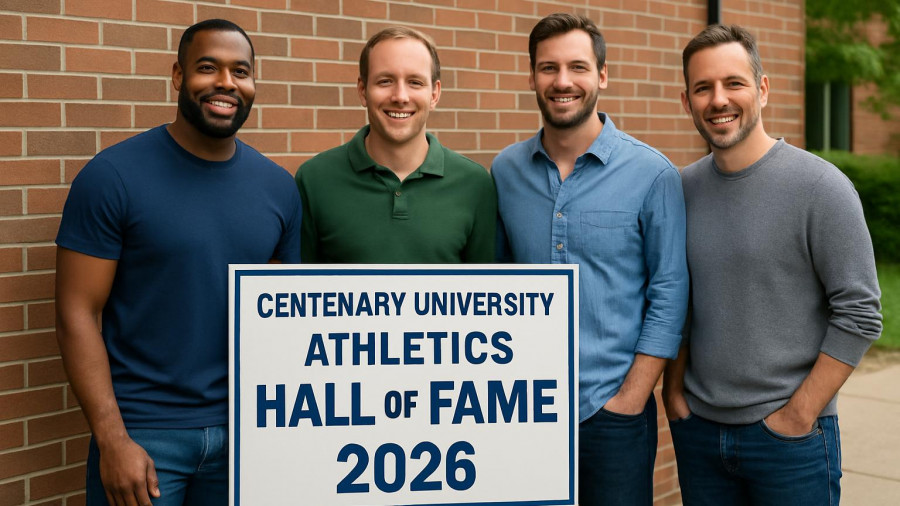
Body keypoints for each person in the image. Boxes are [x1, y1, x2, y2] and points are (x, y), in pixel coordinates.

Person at [55, 19, 301, 506]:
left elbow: (283, 314)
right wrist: (113, 439)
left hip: (246, 435)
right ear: (177, 76)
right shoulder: (112, 177)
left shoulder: (278, 188)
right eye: (208, 67)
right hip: (145, 435)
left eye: (241, 71)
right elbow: (76, 313)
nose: (226, 83)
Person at [663, 24, 882, 505]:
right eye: (703, 88)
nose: (718, 99)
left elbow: (861, 312)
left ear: (762, 88)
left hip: (791, 442)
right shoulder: (679, 189)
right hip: (700, 433)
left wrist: (799, 414)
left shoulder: (820, 187)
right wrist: (673, 394)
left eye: (733, 83)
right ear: (687, 101)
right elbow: (675, 298)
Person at [492, 13, 688, 505]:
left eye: (577, 67)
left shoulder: (652, 174)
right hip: (525, 410)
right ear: (532, 76)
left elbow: (670, 293)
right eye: (548, 68)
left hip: (612, 411)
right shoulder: (504, 171)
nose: (562, 82)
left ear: (601, 76)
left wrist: (632, 398)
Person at [295, 26, 496, 263]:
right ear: (362, 91)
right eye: (385, 81)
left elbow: (483, 290)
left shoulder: (474, 184)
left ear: (434, 94)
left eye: (415, 82)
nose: (400, 96)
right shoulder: (314, 180)